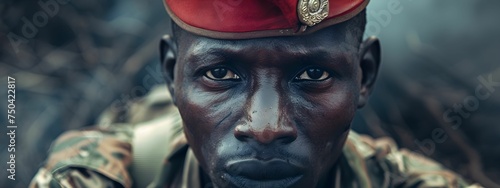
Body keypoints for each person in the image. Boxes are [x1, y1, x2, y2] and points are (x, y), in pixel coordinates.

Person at [30, 0, 482, 187]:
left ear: (364, 75)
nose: (266, 128)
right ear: (172, 75)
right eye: (222, 74)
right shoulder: (103, 173)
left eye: (311, 74)